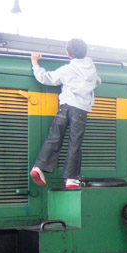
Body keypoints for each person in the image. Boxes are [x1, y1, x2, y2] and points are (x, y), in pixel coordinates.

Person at [29, 39, 101, 189]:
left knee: (54, 138)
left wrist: (35, 63)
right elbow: (97, 82)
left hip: (65, 107)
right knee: (75, 143)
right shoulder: (92, 70)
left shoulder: (67, 69)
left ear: (68, 54)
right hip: (80, 111)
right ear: (85, 52)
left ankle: (39, 167)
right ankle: (71, 179)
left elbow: (46, 78)